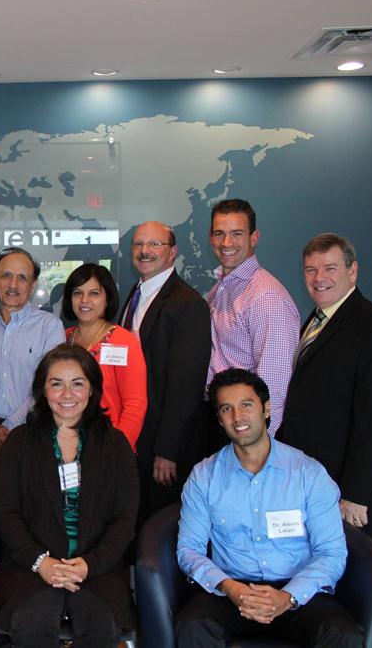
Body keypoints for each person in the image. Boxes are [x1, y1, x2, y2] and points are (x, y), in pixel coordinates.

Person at [175, 368, 362, 647]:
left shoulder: (308, 473)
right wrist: (229, 587)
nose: (238, 417)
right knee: (193, 628)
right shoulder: (204, 476)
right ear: (219, 419)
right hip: (232, 590)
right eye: (227, 409)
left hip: (298, 589)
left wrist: (288, 597)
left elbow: (331, 552)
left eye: (246, 405)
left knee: (342, 634)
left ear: (266, 409)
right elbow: (188, 550)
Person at [0, 344, 138, 647]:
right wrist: (41, 563)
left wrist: (89, 564)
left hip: (98, 570)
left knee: (99, 626)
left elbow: (124, 518)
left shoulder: (115, 444)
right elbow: (5, 513)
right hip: (30, 568)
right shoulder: (19, 443)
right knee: (32, 623)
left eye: (78, 384)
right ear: (43, 390)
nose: (67, 394)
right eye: (56, 384)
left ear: (92, 390)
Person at [278, 234, 372, 542]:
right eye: (311, 269)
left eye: (330, 267)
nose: (319, 278)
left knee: (351, 580)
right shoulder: (318, 318)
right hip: (312, 479)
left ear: (353, 271)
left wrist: (357, 493)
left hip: (345, 491)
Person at [0, 247, 64, 575]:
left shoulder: (49, 326)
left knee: (27, 519)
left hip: (30, 436)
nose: (13, 284)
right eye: (6, 275)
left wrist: (11, 427)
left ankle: (22, 589)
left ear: (34, 284)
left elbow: (48, 384)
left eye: (22, 277)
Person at [120, 221, 212, 520]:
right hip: (137, 435)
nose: (144, 251)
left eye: (154, 244)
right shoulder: (136, 293)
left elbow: (186, 387)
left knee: (161, 526)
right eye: (138, 244)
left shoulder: (188, 305)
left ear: (172, 252)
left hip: (162, 446)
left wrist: (167, 450)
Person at [206, 199, 298, 435]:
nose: (226, 243)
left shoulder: (266, 297)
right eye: (219, 234)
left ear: (254, 238)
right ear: (211, 238)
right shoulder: (223, 288)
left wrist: (263, 450)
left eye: (237, 234)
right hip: (221, 419)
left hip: (246, 432)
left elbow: (274, 386)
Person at [62, 263, 146, 450]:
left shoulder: (123, 341)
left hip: (108, 447)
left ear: (107, 298)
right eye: (77, 293)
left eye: (94, 293)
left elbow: (135, 405)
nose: (84, 300)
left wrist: (117, 449)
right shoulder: (61, 339)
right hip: (66, 447)